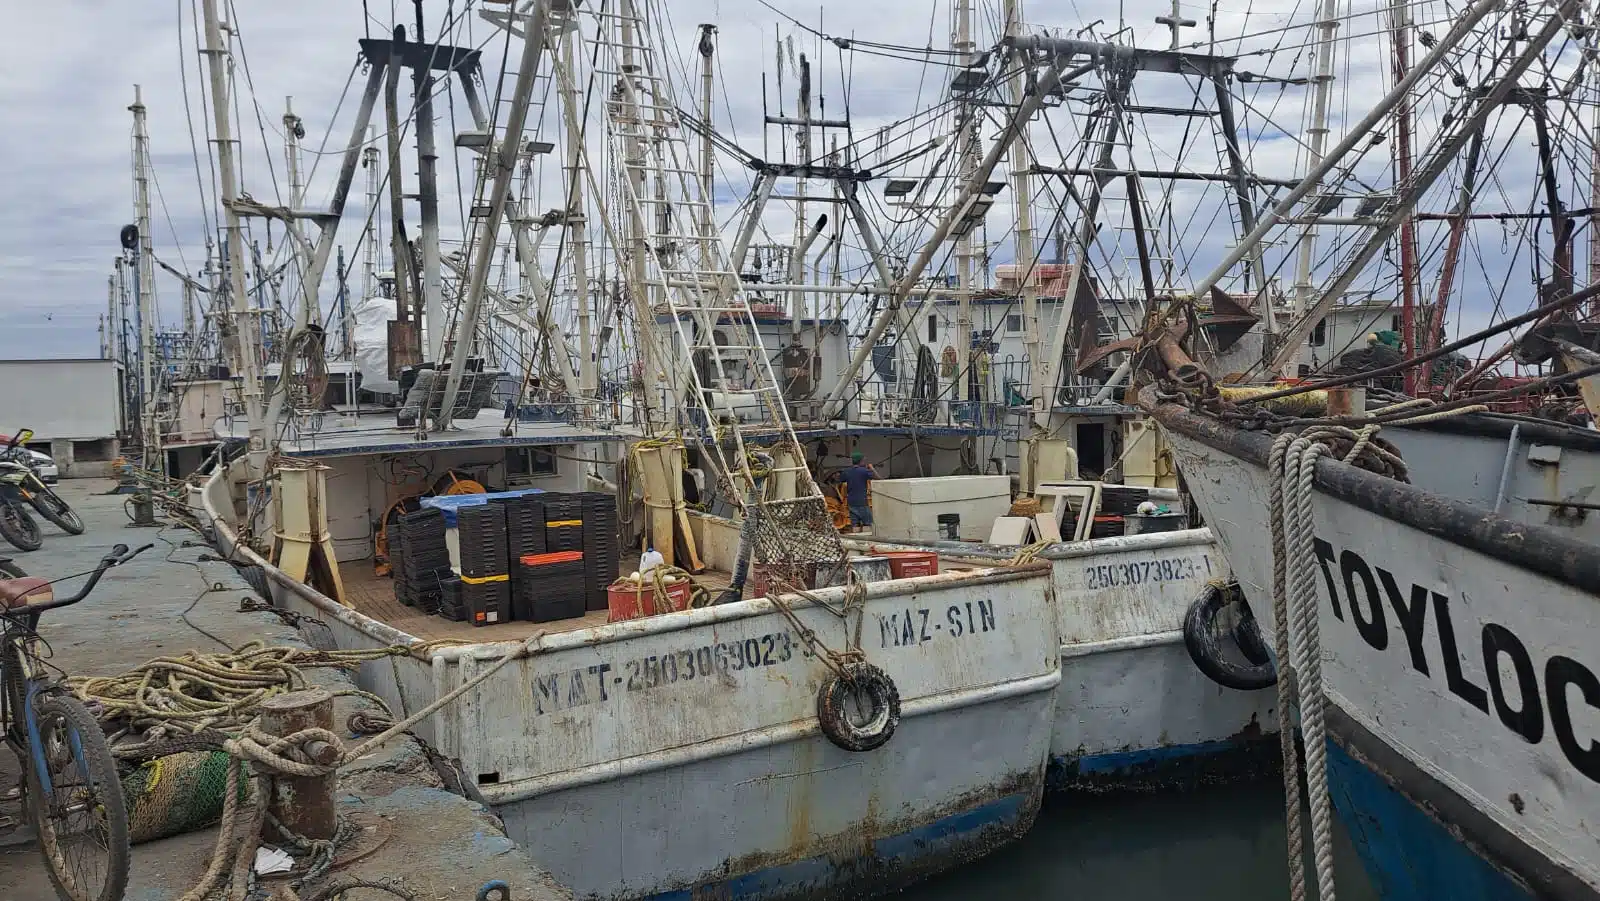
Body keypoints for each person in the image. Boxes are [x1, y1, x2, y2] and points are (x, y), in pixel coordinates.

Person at [841, 451, 877, 532]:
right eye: (864, 460)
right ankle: (867, 542)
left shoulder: (847, 471)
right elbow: (879, 479)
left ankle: (857, 543)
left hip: (851, 503)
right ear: (861, 461)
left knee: (855, 524)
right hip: (862, 502)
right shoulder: (864, 471)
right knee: (867, 524)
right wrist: (872, 468)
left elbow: (840, 479)